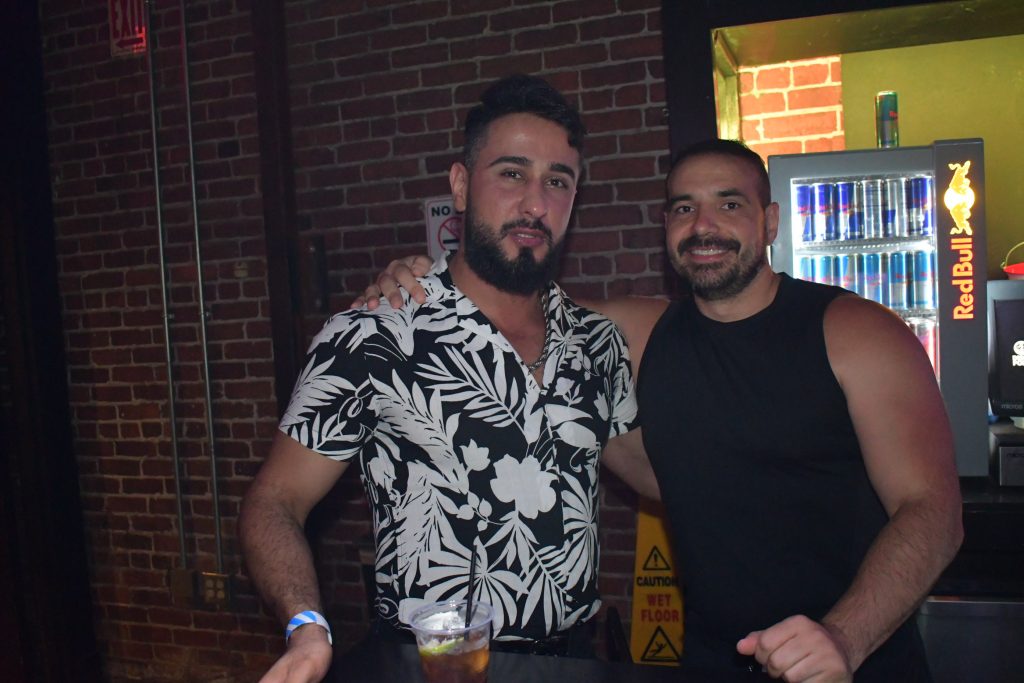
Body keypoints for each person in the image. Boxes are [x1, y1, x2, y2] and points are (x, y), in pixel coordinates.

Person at [361, 138, 964, 682]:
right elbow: (504, 311)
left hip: (853, 661)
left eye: (729, 204)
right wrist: (416, 280)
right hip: (711, 659)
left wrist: (842, 637)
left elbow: (933, 512)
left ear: (771, 221)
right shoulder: (637, 333)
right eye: (683, 208)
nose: (703, 226)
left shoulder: (856, 333)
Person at [238, 74, 657, 683]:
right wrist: (306, 627)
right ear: (460, 186)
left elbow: (652, 474)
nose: (535, 204)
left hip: (574, 660)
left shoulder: (595, 343)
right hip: (432, 665)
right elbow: (274, 501)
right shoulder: (374, 334)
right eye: (512, 173)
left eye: (558, 181)